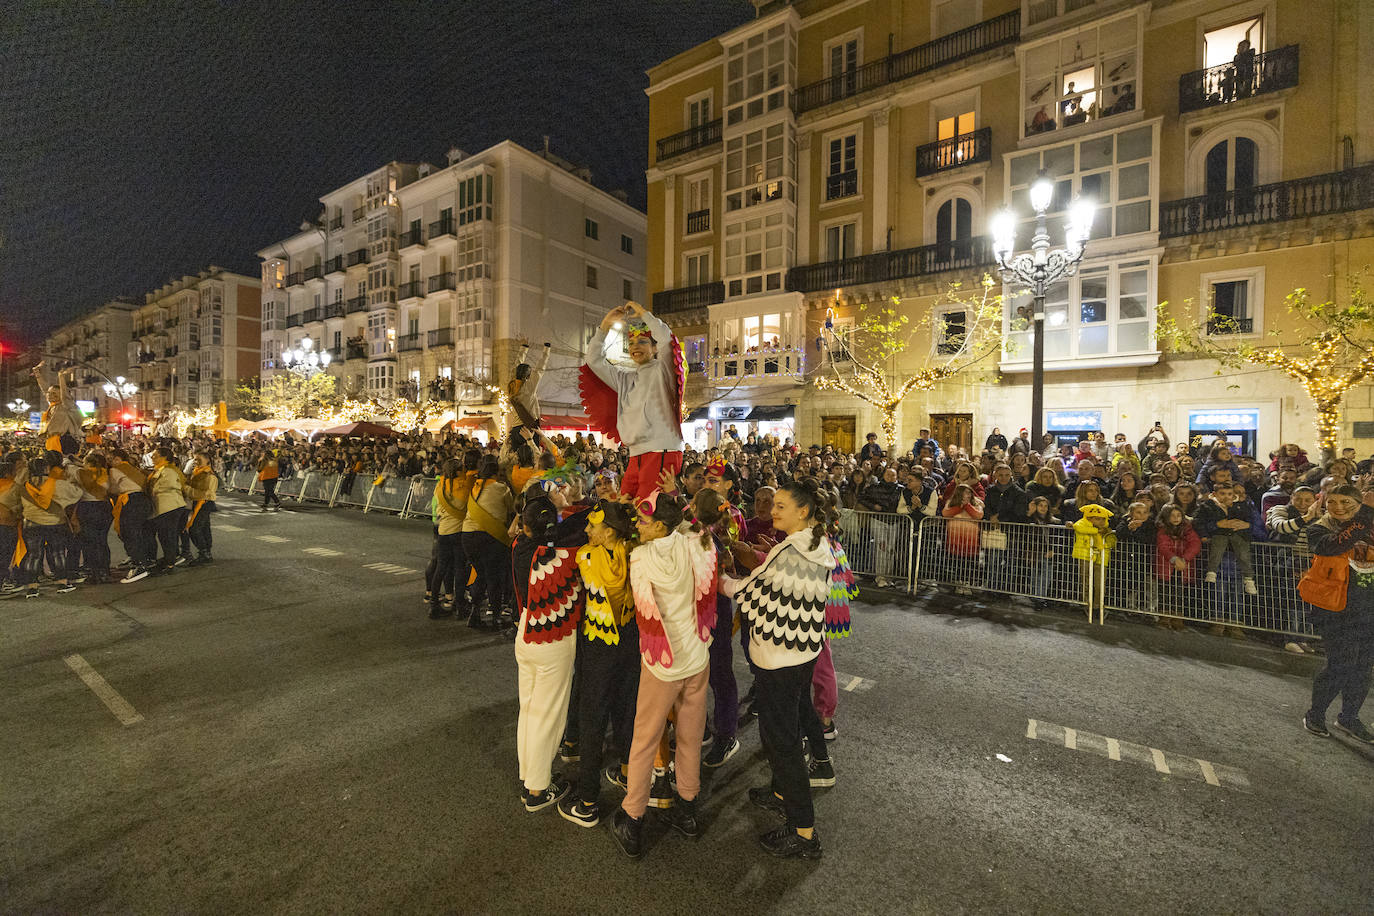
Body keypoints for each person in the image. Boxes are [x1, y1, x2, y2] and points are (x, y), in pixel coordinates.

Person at [722, 479, 843, 860]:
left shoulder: (790, 551)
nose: (772, 511)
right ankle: (779, 792)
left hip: (780, 659)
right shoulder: (814, 544)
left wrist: (719, 578)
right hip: (801, 652)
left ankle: (804, 832)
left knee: (783, 740)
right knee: (787, 727)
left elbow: (749, 592)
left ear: (804, 512)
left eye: (780, 507)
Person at [611, 490, 716, 859]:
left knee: (644, 740)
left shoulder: (640, 558)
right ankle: (687, 810)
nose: (637, 525)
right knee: (690, 736)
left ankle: (634, 817)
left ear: (659, 525)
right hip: (696, 657)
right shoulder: (698, 545)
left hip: (662, 664)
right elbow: (691, 527)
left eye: (643, 521)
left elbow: (640, 609)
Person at [560, 499, 639, 828]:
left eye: (593, 525)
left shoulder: (585, 556)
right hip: (630, 640)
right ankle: (625, 770)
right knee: (625, 708)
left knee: (593, 717)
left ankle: (588, 801)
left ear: (608, 531)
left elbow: (563, 538)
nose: (587, 529)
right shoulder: (635, 552)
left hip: (598, 641)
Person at [510, 495, 590, 813]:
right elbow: (579, 526)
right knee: (549, 717)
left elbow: (564, 528)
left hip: (525, 634)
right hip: (553, 641)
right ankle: (538, 790)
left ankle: (531, 776)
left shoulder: (520, 547)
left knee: (529, 711)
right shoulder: (567, 554)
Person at [581, 301, 684, 501]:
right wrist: (605, 327)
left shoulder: (663, 370)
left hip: (661, 449)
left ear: (655, 348)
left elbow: (667, 340)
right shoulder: (624, 378)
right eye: (632, 343)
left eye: (643, 342)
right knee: (624, 508)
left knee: (648, 514)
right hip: (636, 454)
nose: (636, 347)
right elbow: (594, 360)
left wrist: (645, 315)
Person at [1299, 484, 1374, 744]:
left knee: (1363, 668)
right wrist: (1364, 516)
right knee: (1340, 665)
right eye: (1332, 502)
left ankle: (1349, 717)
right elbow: (1331, 547)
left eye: (1346, 503)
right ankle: (1315, 713)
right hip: (1335, 610)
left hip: (1368, 609)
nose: (1338, 507)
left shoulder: (1368, 526)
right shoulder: (1319, 528)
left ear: (1358, 504)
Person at [13, 456, 82, 597]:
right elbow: (77, 493)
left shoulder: (24, 486)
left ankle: (32, 587)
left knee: (33, 555)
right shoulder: (56, 484)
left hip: (31, 523)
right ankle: (62, 583)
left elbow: (15, 503)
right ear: (46, 469)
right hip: (55, 522)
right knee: (57, 552)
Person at [461, 454, 514, 629]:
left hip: (468, 535)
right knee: (494, 577)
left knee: (479, 573)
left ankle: (474, 612)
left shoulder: (475, 487)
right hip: (490, 536)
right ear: (496, 473)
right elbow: (510, 509)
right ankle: (496, 616)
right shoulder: (502, 488)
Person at [429, 457, 469, 620]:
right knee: (460, 568)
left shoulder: (440, 486)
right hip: (459, 531)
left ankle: (434, 605)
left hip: (443, 531)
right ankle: (460, 606)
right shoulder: (464, 485)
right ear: (459, 470)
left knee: (441, 568)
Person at [1154, 504, 1201, 631]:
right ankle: (1164, 616)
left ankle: (1178, 617)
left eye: (1178, 515)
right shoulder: (1162, 530)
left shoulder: (1188, 529)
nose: (1176, 518)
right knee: (1165, 591)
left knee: (1179, 592)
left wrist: (1185, 559)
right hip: (1166, 566)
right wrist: (1174, 559)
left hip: (1183, 566)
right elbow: (1163, 546)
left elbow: (1195, 543)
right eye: (1172, 516)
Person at [74, 452, 115, 583]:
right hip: (105, 507)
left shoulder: (82, 473)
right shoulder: (106, 474)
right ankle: (105, 570)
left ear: (88, 463)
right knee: (102, 540)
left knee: (89, 541)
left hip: (88, 507)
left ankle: (93, 571)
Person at [146, 447, 188, 572]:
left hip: (171, 507)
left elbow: (169, 485)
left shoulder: (169, 471)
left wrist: (153, 490)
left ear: (164, 457)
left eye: (155, 455)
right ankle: (168, 559)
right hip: (164, 507)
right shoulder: (159, 470)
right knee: (165, 535)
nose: (152, 457)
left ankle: (170, 563)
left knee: (167, 535)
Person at [31, 362, 84, 455]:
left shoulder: (65, 405)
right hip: (51, 440)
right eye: (50, 393)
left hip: (62, 440)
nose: (50, 396)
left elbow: (65, 395)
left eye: (54, 394)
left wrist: (61, 377)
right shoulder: (52, 406)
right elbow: (44, 389)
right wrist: (37, 374)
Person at [181, 451, 218, 566]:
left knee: (194, 529)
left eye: (198, 459)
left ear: (207, 460)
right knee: (204, 528)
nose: (196, 462)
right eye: (195, 459)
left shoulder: (208, 475)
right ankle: (206, 552)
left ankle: (204, 552)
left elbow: (204, 493)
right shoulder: (197, 472)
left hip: (204, 503)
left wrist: (186, 489)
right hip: (199, 502)